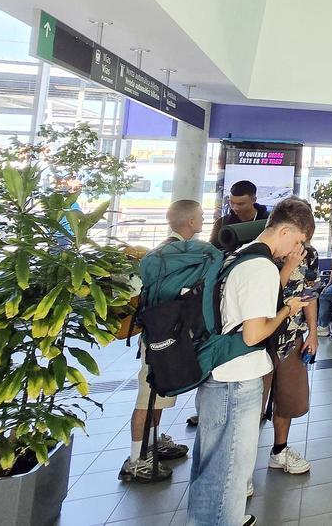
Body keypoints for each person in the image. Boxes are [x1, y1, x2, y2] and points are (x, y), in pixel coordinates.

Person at [187, 198, 314, 526]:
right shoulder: (260, 267)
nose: (296, 249)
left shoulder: (242, 255)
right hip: (238, 379)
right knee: (230, 470)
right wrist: (288, 310)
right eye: (297, 241)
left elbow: (254, 305)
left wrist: (284, 278)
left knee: (210, 465)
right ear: (285, 230)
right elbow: (253, 334)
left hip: (219, 373)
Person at [119, 199, 201, 483]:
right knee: (148, 396)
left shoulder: (162, 253)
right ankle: (135, 459)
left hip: (163, 333)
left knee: (159, 394)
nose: (202, 219)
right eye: (199, 216)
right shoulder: (174, 255)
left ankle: (152, 444)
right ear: (190, 222)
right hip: (162, 336)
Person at [261, 243, 320, 477]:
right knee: (251, 405)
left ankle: (280, 449)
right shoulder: (260, 253)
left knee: (288, 398)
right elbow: (265, 297)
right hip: (258, 340)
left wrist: (313, 333)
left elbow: (309, 294)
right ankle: (239, 471)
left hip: (292, 337)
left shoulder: (309, 254)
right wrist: (287, 266)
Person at [209, 180, 270, 248]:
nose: (235, 208)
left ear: (254, 200)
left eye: (241, 204)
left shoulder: (269, 223)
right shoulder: (221, 223)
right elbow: (212, 250)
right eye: (232, 202)